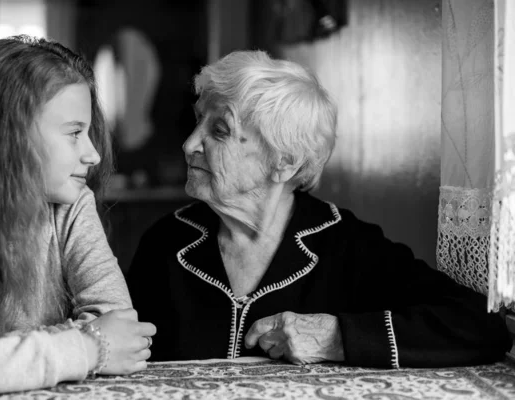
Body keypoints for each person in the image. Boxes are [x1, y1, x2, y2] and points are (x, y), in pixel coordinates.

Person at [127, 50, 510, 368]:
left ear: (284, 163)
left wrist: (337, 338)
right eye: (198, 122)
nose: (189, 144)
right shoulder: (166, 243)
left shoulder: (344, 245)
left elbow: (482, 325)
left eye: (220, 131)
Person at [0, 35, 156, 399]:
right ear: (7, 136)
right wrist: (88, 348)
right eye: (75, 133)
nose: (93, 154)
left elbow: (119, 324)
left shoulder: (72, 206)